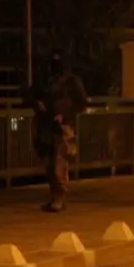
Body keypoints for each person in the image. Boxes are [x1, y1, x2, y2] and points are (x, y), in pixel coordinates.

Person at [30, 50, 89, 212]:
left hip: (63, 126)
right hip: (45, 124)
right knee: (48, 162)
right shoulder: (45, 81)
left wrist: (64, 114)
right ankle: (54, 197)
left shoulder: (71, 82)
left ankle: (58, 197)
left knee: (59, 160)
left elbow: (82, 103)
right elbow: (30, 94)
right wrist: (37, 104)